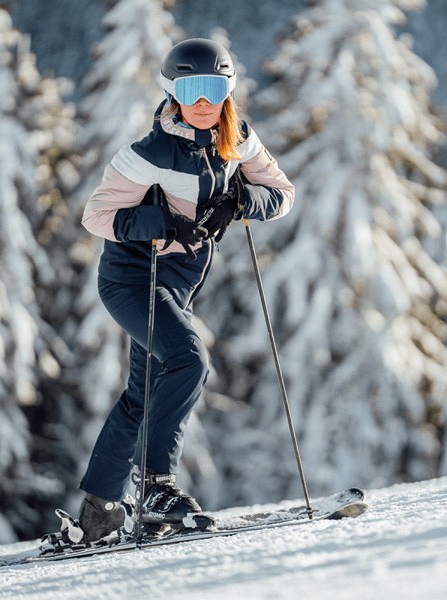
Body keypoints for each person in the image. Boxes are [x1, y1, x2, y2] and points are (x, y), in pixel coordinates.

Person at [76, 38, 295, 542]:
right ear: (173, 91)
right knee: (189, 361)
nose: (202, 101)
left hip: (177, 287)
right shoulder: (149, 154)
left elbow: (282, 194)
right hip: (132, 281)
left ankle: (98, 513)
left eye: (213, 88)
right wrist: (162, 223)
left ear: (227, 91)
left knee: (142, 394)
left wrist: (243, 201)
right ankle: (157, 489)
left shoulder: (237, 138)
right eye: (191, 88)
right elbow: (96, 216)